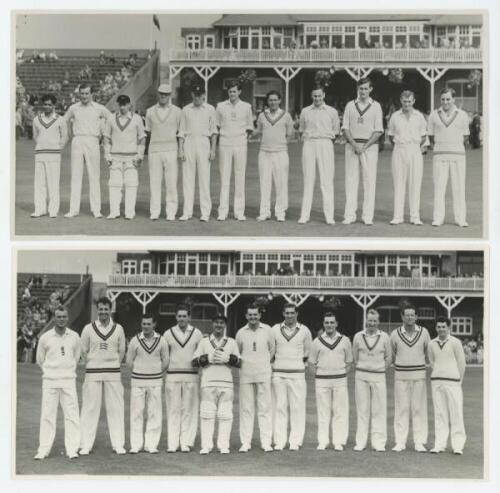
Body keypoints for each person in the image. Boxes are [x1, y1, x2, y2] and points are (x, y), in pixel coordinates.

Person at [79, 297, 126, 455]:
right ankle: (85, 444)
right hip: (93, 372)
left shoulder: (118, 328)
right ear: (97, 310)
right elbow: (83, 351)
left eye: (106, 309)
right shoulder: (88, 328)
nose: (103, 312)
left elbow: (122, 351)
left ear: (110, 309)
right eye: (100, 309)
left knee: (116, 408)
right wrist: (95, 363)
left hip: (113, 373)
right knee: (89, 408)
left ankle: (118, 444)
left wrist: (112, 364)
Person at [34, 306, 81, 460]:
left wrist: (66, 371)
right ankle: (43, 450)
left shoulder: (74, 336)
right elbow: (40, 360)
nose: (61, 319)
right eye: (58, 316)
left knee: (72, 415)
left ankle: (72, 449)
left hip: (68, 381)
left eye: (64, 316)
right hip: (50, 381)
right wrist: (51, 373)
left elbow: (76, 357)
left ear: (68, 317)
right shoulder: (45, 337)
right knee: (47, 415)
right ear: (54, 318)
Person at [192, 314, 241, 454]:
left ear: (225, 325)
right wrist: (207, 358)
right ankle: (206, 445)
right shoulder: (204, 342)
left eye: (221, 323)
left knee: (225, 415)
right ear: (212, 324)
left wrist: (229, 359)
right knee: (207, 414)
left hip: (226, 383)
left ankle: (223, 445)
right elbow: (194, 362)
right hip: (208, 382)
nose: (219, 325)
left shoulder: (231, 342)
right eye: (216, 322)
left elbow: (240, 363)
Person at [64, 83, 112, 218]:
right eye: (82, 93)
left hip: (93, 140)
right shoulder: (74, 108)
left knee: (94, 176)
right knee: (76, 175)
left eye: (87, 93)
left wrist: (104, 134)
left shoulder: (99, 108)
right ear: (79, 94)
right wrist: (68, 134)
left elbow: (111, 119)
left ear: (92, 94)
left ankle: (96, 209)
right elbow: (63, 121)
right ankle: (73, 209)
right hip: (77, 140)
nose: (84, 96)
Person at [269, 303, 312, 451]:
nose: (289, 315)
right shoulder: (274, 329)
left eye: (292, 313)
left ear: (297, 314)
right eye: (287, 313)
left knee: (297, 409)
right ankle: (279, 441)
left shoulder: (304, 330)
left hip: (297, 375)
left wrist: (299, 366)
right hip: (279, 374)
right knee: (279, 408)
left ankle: (295, 441)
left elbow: (307, 353)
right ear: (283, 313)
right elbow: (271, 352)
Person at [342, 78, 384, 225]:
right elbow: (345, 128)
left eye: (366, 89)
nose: (363, 91)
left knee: (369, 182)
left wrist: (364, 146)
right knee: (351, 181)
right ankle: (349, 215)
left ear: (371, 89)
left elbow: (378, 130)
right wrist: (354, 145)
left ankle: (367, 216)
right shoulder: (350, 105)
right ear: (357, 89)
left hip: (370, 148)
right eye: (361, 89)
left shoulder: (376, 106)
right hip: (352, 147)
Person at [390, 304, 431, 452]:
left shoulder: (424, 332)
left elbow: (427, 351)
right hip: (401, 376)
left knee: (418, 408)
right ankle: (400, 442)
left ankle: (419, 442)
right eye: (407, 315)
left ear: (416, 317)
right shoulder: (395, 334)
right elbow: (393, 353)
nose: (410, 317)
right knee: (401, 409)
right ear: (402, 317)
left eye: (412, 315)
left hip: (419, 376)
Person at [162, 305, 204, 452]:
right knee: (173, 410)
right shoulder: (168, 334)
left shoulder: (197, 333)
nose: (181, 319)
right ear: (176, 317)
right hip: (172, 376)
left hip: (191, 376)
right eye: (179, 316)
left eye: (184, 316)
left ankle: (186, 442)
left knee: (189, 409)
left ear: (189, 317)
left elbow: (200, 354)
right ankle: (173, 443)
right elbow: (164, 355)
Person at [126, 312, 168, 454]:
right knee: (137, 412)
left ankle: (151, 445)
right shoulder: (134, 340)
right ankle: (136, 445)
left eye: (149, 324)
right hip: (138, 381)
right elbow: (129, 361)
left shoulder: (161, 340)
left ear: (154, 324)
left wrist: (155, 373)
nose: (146, 326)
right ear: (141, 324)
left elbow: (166, 361)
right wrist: (140, 372)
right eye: (144, 324)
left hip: (155, 381)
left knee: (154, 413)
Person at [309, 312, 353, 451]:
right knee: (323, 412)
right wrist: (320, 375)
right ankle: (323, 441)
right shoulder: (316, 342)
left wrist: (340, 374)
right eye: (326, 322)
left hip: (339, 381)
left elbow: (349, 362)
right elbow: (311, 363)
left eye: (331, 322)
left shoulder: (345, 340)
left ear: (336, 324)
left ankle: (338, 441)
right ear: (323, 324)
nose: (329, 325)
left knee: (340, 412)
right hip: (322, 381)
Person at [427, 87, 470, 227]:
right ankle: (438, 218)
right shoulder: (434, 115)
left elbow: (466, 135)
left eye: (448, 99)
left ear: (454, 99)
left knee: (459, 188)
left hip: (458, 155)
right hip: (440, 155)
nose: (445, 102)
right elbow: (431, 135)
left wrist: (453, 145)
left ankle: (460, 219)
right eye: (443, 99)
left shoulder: (462, 115)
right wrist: (443, 145)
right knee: (439, 188)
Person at [235, 303, 275, 452]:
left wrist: (263, 364)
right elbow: (238, 353)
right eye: (250, 315)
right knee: (246, 409)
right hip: (246, 375)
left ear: (260, 315)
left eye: (255, 314)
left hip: (264, 374)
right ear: (246, 316)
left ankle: (266, 442)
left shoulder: (268, 330)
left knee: (265, 409)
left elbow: (272, 350)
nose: (253, 317)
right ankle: (245, 443)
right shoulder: (240, 333)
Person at [298, 85, 340, 225]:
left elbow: (336, 131)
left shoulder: (332, 111)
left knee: (326, 181)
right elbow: (302, 129)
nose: (317, 98)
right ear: (312, 96)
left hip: (325, 143)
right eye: (315, 96)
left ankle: (329, 216)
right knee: (308, 180)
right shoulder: (305, 111)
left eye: (319, 96)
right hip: (309, 143)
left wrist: (325, 141)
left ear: (324, 95)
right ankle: (305, 215)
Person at [352, 309, 392, 451]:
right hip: (361, 376)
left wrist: (379, 369)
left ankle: (379, 443)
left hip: (378, 376)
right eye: (370, 320)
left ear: (378, 322)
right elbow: (355, 356)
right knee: (362, 410)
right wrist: (364, 367)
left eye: (375, 321)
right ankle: (360, 442)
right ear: (366, 320)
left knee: (379, 410)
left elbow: (388, 358)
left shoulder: (385, 337)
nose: (372, 323)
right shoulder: (358, 336)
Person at [178, 85, 218, 222]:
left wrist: (213, 150)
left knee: (204, 179)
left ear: (204, 95)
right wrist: (180, 149)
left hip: (203, 143)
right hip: (189, 143)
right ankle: (187, 212)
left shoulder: (210, 109)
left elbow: (213, 132)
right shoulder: (185, 109)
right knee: (187, 179)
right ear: (192, 95)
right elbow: (181, 132)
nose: (197, 97)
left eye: (200, 95)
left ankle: (205, 213)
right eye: (195, 95)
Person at [215, 80, 254, 221]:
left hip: (240, 144)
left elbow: (249, 127)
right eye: (230, 91)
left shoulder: (246, 107)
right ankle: (223, 211)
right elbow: (217, 126)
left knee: (239, 177)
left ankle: (239, 212)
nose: (232, 93)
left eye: (234, 91)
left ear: (239, 92)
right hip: (225, 143)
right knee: (224, 178)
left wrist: (241, 139)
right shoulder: (220, 106)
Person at [253, 90, 294, 222]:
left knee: (281, 183)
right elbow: (258, 131)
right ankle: (264, 212)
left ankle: (280, 212)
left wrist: (282, 145)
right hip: (264, 153)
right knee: (265, 183)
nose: (273, 102)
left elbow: (290, 134)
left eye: (275, 100)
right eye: (270, 100)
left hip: (281, 153)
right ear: (267, 102)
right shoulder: (262, 116)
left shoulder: (286, 115)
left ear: (280, 100)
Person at [387, 90, 427, 225]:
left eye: (409, 101)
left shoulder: (419, 116)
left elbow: (423, 136)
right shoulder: (395, 116)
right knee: (398, 183)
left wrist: (413, 146)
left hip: (415, 150)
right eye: (405, 101)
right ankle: (397, 216)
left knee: (415, 184)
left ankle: (415, 217)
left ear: (414, 101)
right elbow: (391, 136)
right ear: (401, 101)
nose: (407, 104)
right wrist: (402, 145)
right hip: (399, 150)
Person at [427, 317, 466, 455]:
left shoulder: (456, 342)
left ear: (448, 327)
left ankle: (458, 445)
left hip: (453, 383)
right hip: (437, 382)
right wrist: (439, 372)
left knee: (456, 414)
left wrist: (458, 381)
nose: (441, 329)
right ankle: (439, 445)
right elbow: (432, 361)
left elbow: (461, 363)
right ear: (436, 328)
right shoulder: (432, 344)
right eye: (439, 327)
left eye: (444, 326)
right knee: (440, 414)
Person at [103, 94, 146, 220]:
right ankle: (114, 211)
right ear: (117, 105)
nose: (122, 107)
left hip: (131, 157)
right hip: (115, 156)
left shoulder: (137, 119)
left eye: (125, 104)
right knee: (114, 184)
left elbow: (142, 138)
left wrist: (140, 156)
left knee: (131, 184)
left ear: (129, 105)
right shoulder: (111, 119)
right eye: (120, 104)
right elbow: (106, 137)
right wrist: (107, 155)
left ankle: (129, 212)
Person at [145, 84, 181, 220]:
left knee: (171, 182)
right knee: (155, 182)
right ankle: (155, 211)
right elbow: (147, 131)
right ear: (158, 94)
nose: (163, 96)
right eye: (161, 94)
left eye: (166, 94)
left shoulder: (177, 111)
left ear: (170, 95)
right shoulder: (150, 111)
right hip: (154, 150)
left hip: (171, 150)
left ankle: (171, 212)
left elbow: (180, 132)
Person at [31, 94, 68, 218]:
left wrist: (57, 148)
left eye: (49, 104)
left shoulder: (60, 119)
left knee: (53, 183)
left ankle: (53, 210)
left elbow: (65, 137)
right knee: (39, 183)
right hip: (40, 154)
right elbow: (35, 136)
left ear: (54, 105)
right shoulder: (36, 119)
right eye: (45, 104)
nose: (47, 106)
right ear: (42, 105)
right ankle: (40, 209)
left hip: (54, 155)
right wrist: (42, 145)